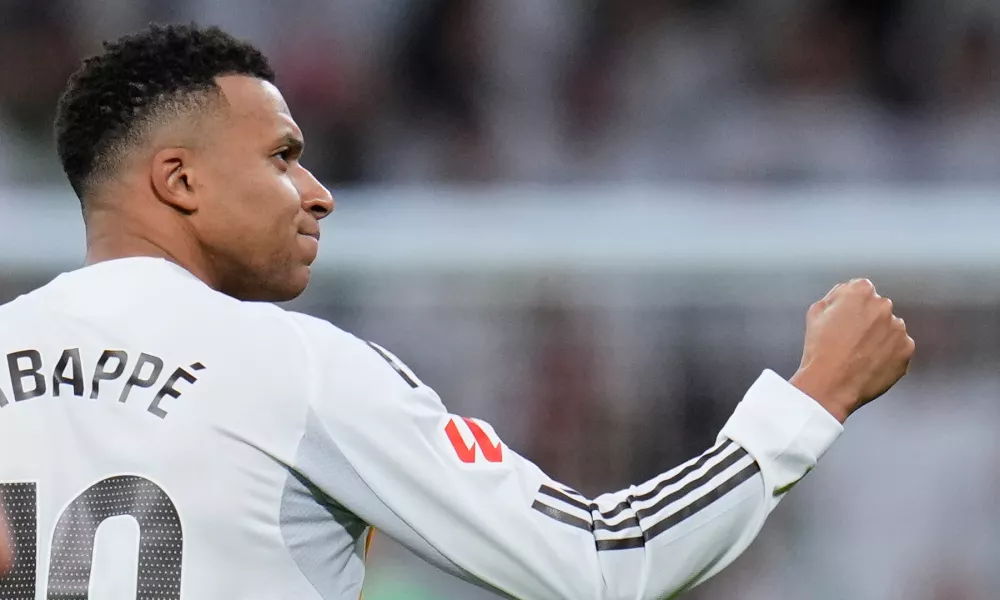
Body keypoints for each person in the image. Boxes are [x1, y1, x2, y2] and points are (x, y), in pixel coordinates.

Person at [0, 23, 914, 600]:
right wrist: (812, 398)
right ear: (180, 179)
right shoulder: (295, 369)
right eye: (282, 156)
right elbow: (602, 564)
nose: (317, 194)